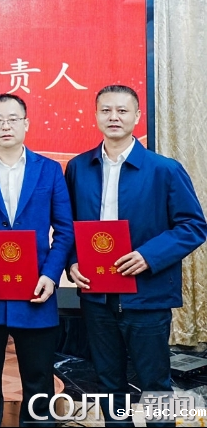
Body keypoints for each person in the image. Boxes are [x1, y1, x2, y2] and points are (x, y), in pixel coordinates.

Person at [66, 85, 206, 427]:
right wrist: (71, 262)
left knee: (156, 385)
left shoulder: (164, 169)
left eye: (122, 110)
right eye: (106, 110)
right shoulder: (79, 167)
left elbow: (193, 225)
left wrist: (148, 255)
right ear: (96, 115)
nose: (114, 117)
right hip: (97, 296)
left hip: (147, 294)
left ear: (137, 116)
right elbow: (68, 224)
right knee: (109, 383)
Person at [0, 94, 74, 427]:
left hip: (36, 292)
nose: (5, 125)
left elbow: (65, 230)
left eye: (12, 118)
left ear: (26, 123)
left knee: (39, 380)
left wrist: (51, 275)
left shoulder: (49, 170)